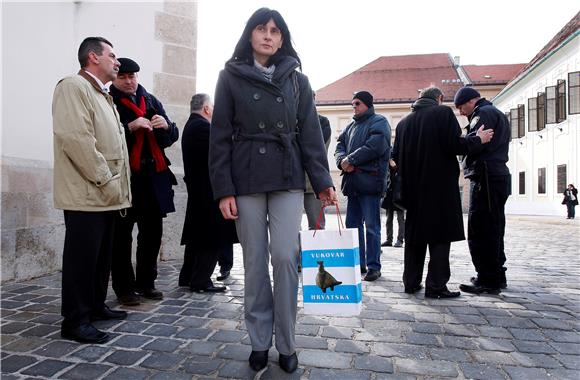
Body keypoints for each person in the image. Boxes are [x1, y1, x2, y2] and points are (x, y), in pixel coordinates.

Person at [208, 8, 337, 373]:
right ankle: (259, 341)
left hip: (286, 175)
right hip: (246, 177)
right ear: (250, 34)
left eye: (275, 31)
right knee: (254, 264)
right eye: (261, 29)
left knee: (284, 256)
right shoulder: (229, 76)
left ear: (283, 39)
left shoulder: (298, 80)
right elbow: (219, 137)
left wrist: (324, 183)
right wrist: (223, 190)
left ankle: (287, 341)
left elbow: (311, 134)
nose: (268, 36)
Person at [52, 37, 131, 344]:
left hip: (105, 195)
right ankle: (75, 320)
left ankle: (95, 306)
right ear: (93, 57)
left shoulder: (103, 94)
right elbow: (77, 139)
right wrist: (106, 180)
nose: (117, 61)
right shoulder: (73, 86)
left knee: (100, 258)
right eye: (112, 55)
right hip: (88, 193)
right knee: (81, 260)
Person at [393, 86, 493, 299]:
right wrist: (478, 139)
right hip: (438, 188)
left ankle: (410, 282)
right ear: (439, 98)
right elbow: (454, 145)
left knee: (415, 238)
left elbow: (395, 157)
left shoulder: (403, 123)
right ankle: (436, 286)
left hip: (412, 190)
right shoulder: (442, 113)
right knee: (439, 236)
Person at [109, 58, 178, 305]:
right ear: (115, 78)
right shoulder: (109, 101)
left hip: (154, 178)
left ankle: (146, 283)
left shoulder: (150, 100)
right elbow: (106, 140)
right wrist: (129, 127)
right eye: (123, 77)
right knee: (121, 237)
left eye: (133, 77)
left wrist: (166, 127)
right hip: (126, 179)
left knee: (152, 234)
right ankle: (125, 288)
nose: (129, 81)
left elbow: (170, 137)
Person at [453, 87, 511, 295]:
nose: (461, 112)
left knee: (481, 229)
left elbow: (476, 144)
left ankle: (487, 279)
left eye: (461, 107)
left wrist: (472, 140)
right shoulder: (496, 113)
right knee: (495, 227)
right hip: (496, 174)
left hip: (486, 177)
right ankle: (496, 275)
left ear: (471, 101)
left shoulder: (483, 114)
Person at [179, 93, 237, 292]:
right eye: (212, 106)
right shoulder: (203, 127)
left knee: (196, 238)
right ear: (206, 108)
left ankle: (188, 277)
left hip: (200, 191)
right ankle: (201, 280)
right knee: (212, 238)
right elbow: (220, 155)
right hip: (208, 192)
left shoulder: (192, 125)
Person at [335, 90, 391, 282]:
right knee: (353, 226)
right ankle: (359, 264)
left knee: (372, 227)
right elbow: (339, 146)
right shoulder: (350, 126)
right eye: (353, 104)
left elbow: (375, 146)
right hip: (352, 185)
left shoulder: (379, 122)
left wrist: (351, 160)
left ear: (367, 104)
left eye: (357, 103)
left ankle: (374, 266)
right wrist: (342, 160)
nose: (354, 106)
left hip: (370, 183)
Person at [304, 91, 332, 230]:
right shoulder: (289, 119)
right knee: (289, 229)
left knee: (317, 226)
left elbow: (320, 152)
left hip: (312, 184)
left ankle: (315, 252)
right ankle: (294, 253)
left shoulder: (322, 122)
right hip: (290, 183)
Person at [381, 159, 405, 248]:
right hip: (390, 191)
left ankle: (400, 240)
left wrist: (395, 166)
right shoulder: (389, 155)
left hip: (399, 192)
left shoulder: (401, 154)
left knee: (400, 218)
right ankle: (389, 239)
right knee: (388, 218)